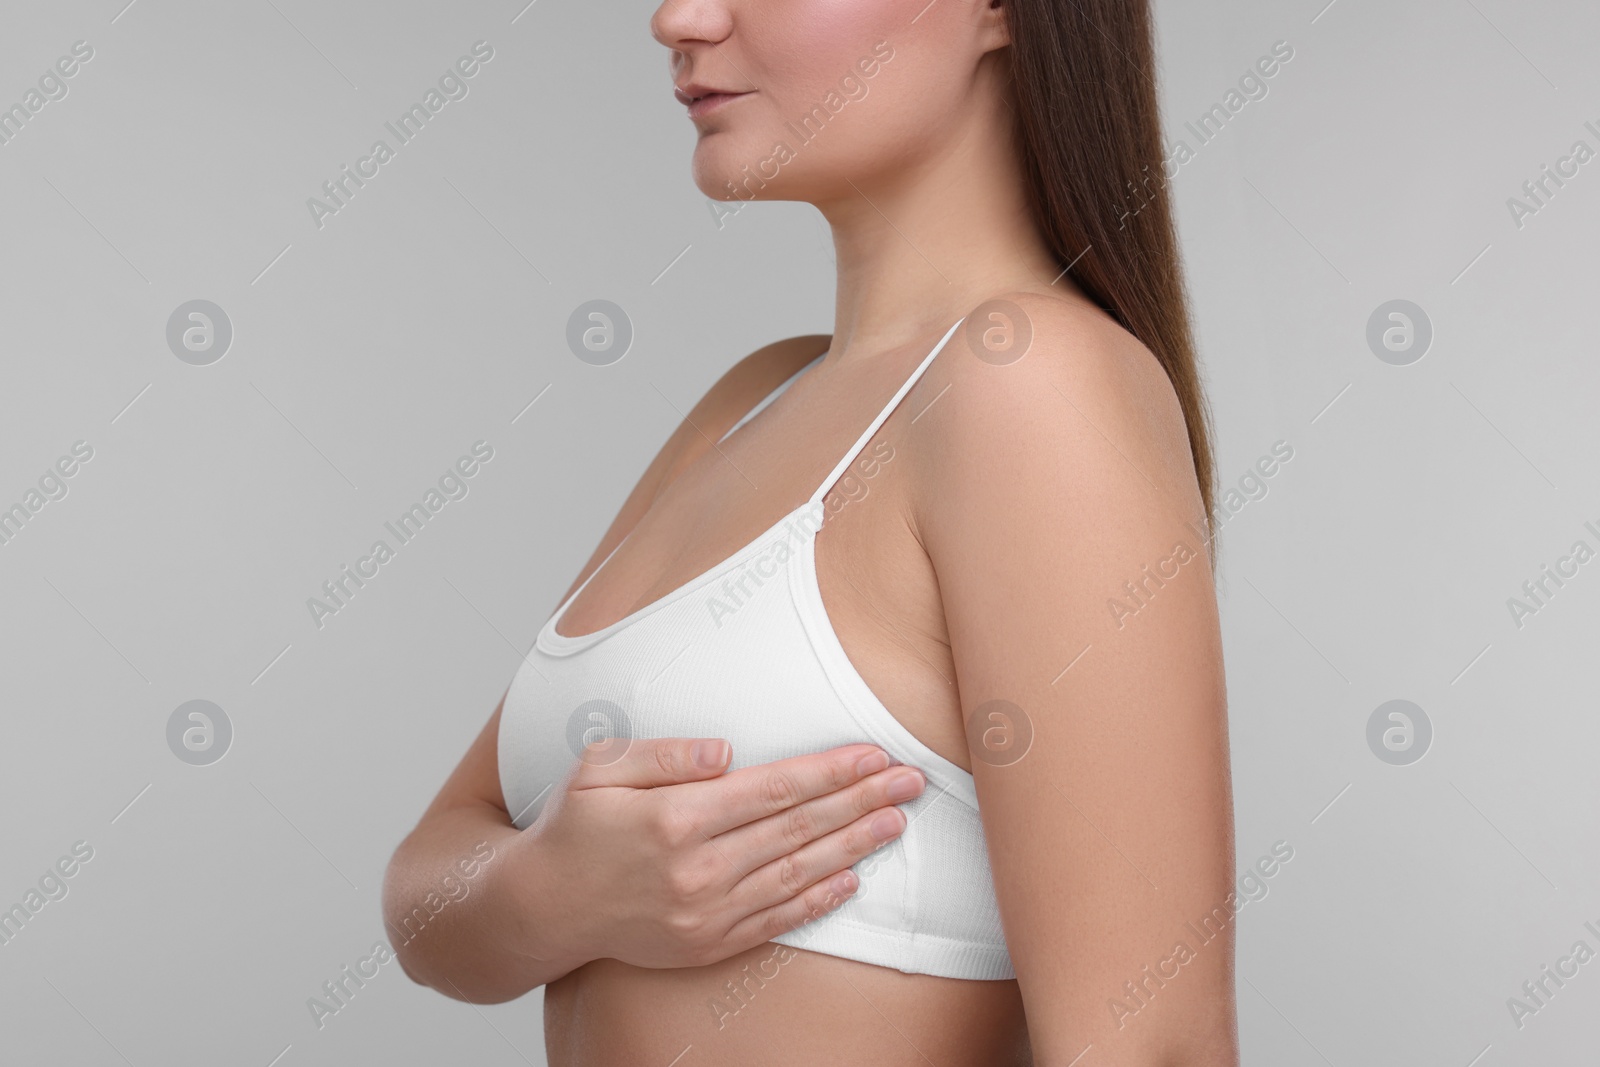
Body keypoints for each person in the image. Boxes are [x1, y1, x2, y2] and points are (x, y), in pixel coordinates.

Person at [383, 1, 1236, 1063]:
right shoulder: (748, 401)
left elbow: (1155, 1046)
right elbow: (423, 896)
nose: (678, 17)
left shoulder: (1029, 384)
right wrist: (554, 888)